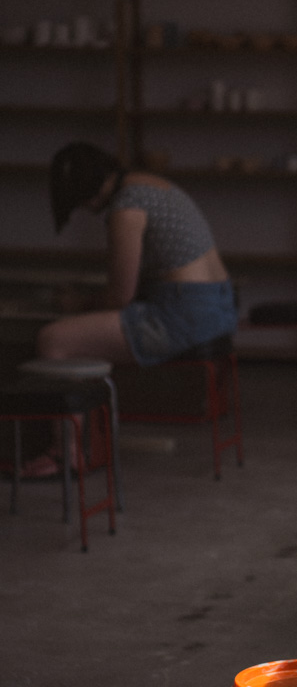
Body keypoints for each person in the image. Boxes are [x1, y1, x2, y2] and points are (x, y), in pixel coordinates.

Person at [24, 141, 237, 477]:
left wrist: (77, 303)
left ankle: (68, 453)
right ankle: (90, 440)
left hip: (184, 313)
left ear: (85, 195)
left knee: (54, 340)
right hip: (219, 306)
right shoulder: (145, 183)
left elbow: (120, 297)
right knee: (80, 333)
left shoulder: (126, 207)